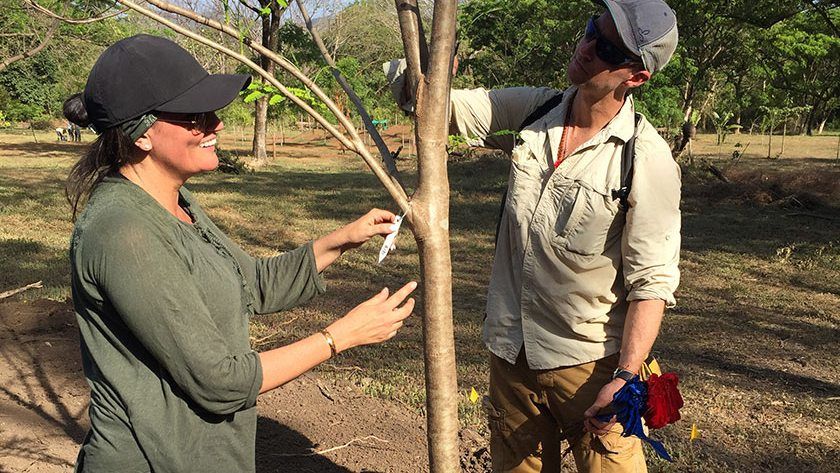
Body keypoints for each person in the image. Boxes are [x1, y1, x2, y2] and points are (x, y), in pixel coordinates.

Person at [65, 34, 416, 473]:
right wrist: (340, 336)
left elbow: (251, 283)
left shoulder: (174, 200)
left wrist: (343, 238)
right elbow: (220, 382)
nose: (217, 125)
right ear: (142, 135)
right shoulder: (123, 233)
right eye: (195, 117)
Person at [385, 0, 681, 471]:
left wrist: (625, 377)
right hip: (511, 353)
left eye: (605, 47)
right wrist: (427, 69)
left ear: (636, 76)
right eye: (590, 30)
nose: (586, 47)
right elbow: (434, 108)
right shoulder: (535, 111)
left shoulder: (645, 158)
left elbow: (652, 283)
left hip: (590, 364)